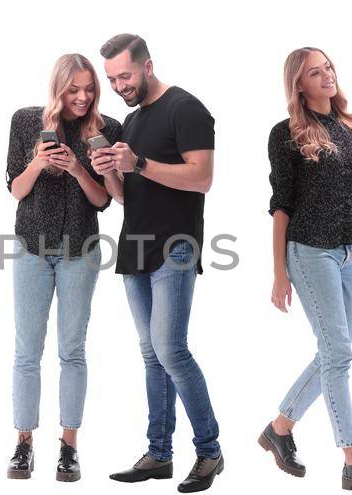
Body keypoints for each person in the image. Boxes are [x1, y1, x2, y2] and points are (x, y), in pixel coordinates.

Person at [91, 33, 222, 493]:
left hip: (176, 245)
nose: (119, 86)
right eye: (111, 79)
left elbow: (203, 178)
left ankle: (209, 450)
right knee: (152, 356)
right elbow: (127, 196)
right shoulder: (131, 120)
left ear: (148, 66)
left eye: (124, 76)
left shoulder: (186, 108)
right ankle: (160, 454)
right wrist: (110, 169)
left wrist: (140, 162)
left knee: (171, 350)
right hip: (135, 247)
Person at [259, 46, 352, 494]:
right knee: (339, 354)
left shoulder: (351, 129)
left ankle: (279, 428)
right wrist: (279, 273)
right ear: (299, 83)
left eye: (329, 68)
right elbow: (281, 208)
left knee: (336, 353)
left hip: (351, 252)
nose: (327, 76)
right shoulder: (287, 134)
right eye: (316, 73)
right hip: (309, 251)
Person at [3, 53, 121, 482]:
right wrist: (38, 162)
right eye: (74, 89)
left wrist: (75, 168)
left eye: (89, 88)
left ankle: (69, 447)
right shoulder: (25, 121)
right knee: (26, 351)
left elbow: (103, 201)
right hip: (31, 249)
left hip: (81, 251)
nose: (83, 96)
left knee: (72, 350)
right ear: (58, 88)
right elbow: (16, 189)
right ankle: (23, 443)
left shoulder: (107, 129)